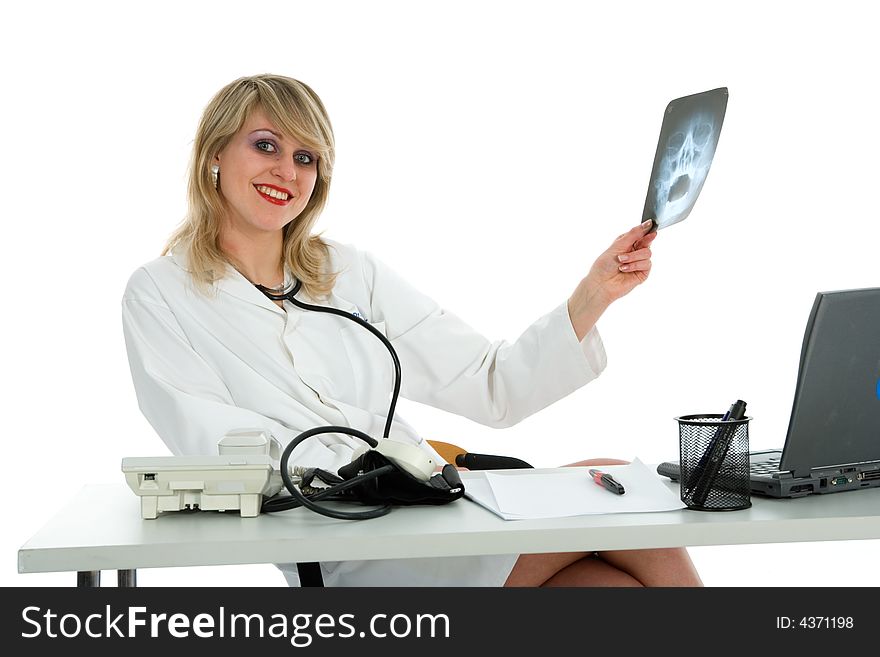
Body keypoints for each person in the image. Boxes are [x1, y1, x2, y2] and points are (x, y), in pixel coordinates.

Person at [122, 73, 702, 587]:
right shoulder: (161, 293)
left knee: (614, 560)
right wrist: (377, 473)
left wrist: (596, 291)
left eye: (306, 157)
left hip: (435, 505)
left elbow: (489, 383)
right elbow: (220, 449)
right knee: (627, 513)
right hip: (345, 543)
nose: (286, 171)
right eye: (266, 145)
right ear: (213, 156)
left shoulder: (346, 272)